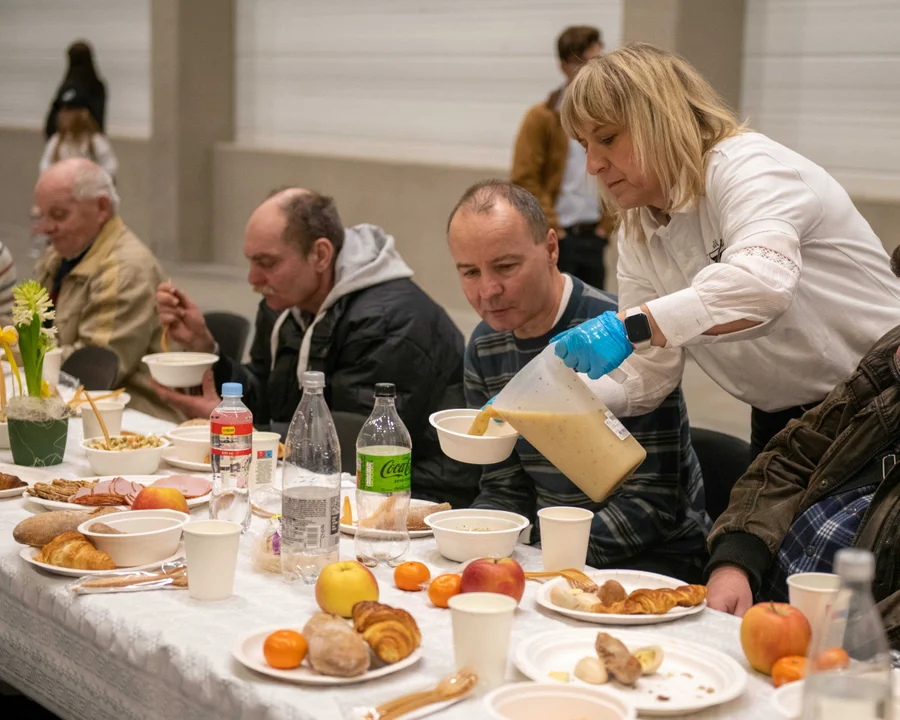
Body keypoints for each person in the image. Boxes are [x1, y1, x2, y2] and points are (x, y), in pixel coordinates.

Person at [550, 42, 900, 461]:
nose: (593, 166)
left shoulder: (749, 166)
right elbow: (650, 368)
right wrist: (557, 400)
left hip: (883, 395)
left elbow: (761, 287)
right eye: (584, 145)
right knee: (743, 531)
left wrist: (631, 326)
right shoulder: (638, 229)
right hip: (785, 418)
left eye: (606, 138)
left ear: (661, 120)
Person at [447, 180, 709, 581]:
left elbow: (654, 502)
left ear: (552, 248)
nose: (488, 290)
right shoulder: (485, 346)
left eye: (505, 266)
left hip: (654, 561)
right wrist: (479, 540)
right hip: (553, 555)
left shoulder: (619, 335)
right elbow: (503, 487)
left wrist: (543, 557)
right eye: (469, 272)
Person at [154, 188, 478, 508]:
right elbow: (268, 399)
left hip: (416, 496)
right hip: (323, 479)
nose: (253, 278)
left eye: (266, 263)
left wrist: (239, 431)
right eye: (251, 262)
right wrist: (207, 349)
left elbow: (350, 443)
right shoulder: (283, 303)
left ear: (321, 255)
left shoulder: (389, 321)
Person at [704, 320, 900, 639]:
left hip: (856, 661)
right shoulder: (892, 353)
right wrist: (737, 560)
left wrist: (858, 646)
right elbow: (794, 456)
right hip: (761, 615)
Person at [32, 158, 174, 421]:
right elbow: (29, 327)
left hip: (135, 415)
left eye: (59, 215)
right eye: (42, 216)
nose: (47, 228)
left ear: (101, 207)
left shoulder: (125, 270)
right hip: (72, 401)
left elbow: (91, 370)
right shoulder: (58, 256)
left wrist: (21, 354)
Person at [511, 26, 611, 290]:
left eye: (600, 61)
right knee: (557, 314)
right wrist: (554, 226)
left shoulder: (610, 116)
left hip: (595, 236)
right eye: (587, 62)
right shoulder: (543, 117)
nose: (594, 70)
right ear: (565, 65)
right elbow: (525, 177)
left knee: (598, 315)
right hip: (560, 235)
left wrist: (608, 224)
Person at [40, 88, 117, 179]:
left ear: (83, 114)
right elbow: (45, 168)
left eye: (69, 111)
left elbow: (110, 168)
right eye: (62, 111)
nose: (63, 115)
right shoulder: (56, 141)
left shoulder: (95, 141)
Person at [45, 41, 106, 140]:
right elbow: (98, 117)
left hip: (66, 140)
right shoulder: (97, 86)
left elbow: (52, 119)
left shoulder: (67, 86)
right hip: (90, 140)